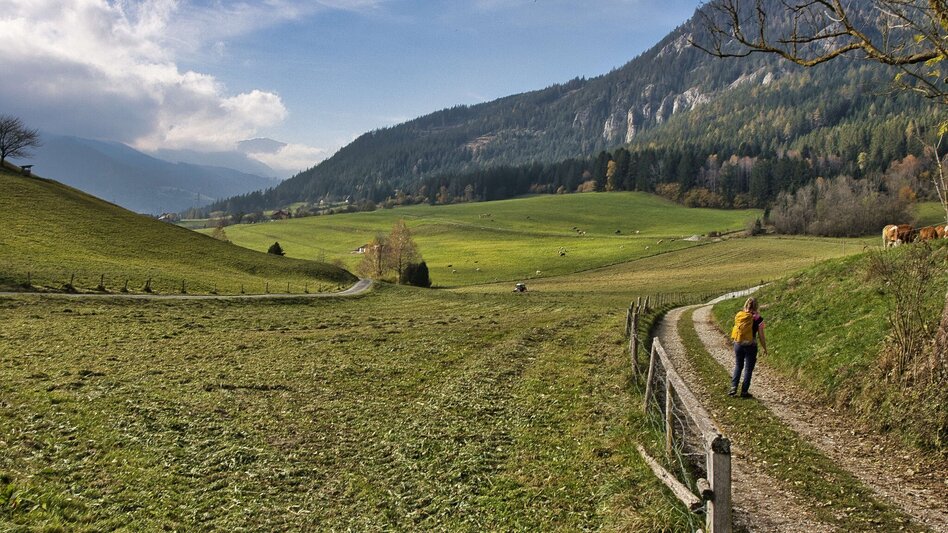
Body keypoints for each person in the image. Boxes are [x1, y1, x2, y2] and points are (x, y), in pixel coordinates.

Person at [729, 297, 768, 398]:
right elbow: (761, 335)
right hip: (751, 345)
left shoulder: (740, 315)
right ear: (756, 306)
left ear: (746, 304)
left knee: (738, 365)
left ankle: (733, 387)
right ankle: (744, 392)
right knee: (748, 369)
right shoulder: (758, 319)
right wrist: (764, 347)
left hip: (738, 343)